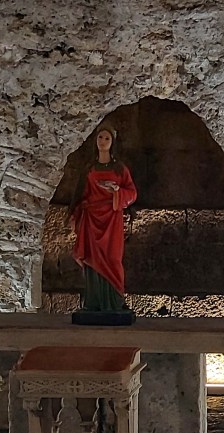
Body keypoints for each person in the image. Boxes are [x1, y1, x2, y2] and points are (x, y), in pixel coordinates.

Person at [68, 127, 138, 319]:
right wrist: (76, 215)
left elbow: (132, 193)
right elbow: (81, 194)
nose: (103, 141)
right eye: (100, 137)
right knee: (92, 259)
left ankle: (114, 302)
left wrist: (116, 190)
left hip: (112, 218)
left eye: (107, 137)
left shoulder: (120, 169)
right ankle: (94, 302)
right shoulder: (89, 168)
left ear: (113, 142)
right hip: (91, 218)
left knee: (112, 258)